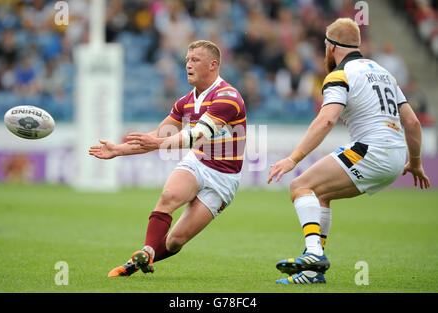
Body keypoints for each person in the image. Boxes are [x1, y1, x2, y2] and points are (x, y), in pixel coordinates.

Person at [267, 18, 430, 285]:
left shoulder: (340, 75)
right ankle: (311, 274)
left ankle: (313, 255)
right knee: (322, 194)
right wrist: (415, 162)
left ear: (331, 47)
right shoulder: (384, 72)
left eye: (324, 47)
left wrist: (293, 158)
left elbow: (327, 120)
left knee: (300, 185)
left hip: (370, 151)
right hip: (396, 156)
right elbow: (411, 122)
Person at [89, 40, 246, 277]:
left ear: (213, 65)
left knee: (175, 241)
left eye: (195, 60)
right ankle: (145, 251)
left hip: (224, 178)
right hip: (199, 161)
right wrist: (118, 150)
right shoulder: (186, 101)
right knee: (168, 196)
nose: (188, 65)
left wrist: (158, 143)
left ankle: (143, 258)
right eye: (187, 60)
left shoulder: (228, 97)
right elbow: (157, 136)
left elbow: (196, 134)